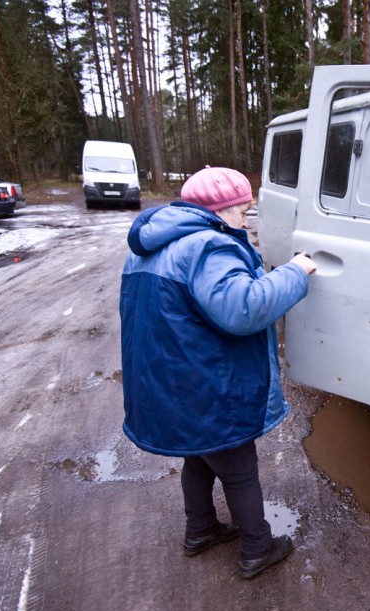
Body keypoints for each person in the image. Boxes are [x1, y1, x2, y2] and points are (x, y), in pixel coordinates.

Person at [119, 166, 316, 579]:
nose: (246, 221)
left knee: (199, 456)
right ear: (223, 209)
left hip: (171, 382)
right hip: (205, 383)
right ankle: (257, 548)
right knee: (239, 468)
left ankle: (201, 530)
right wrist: (295, 271)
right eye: (244, 212)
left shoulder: (152, 244)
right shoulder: (208, 246)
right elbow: (243, 308)